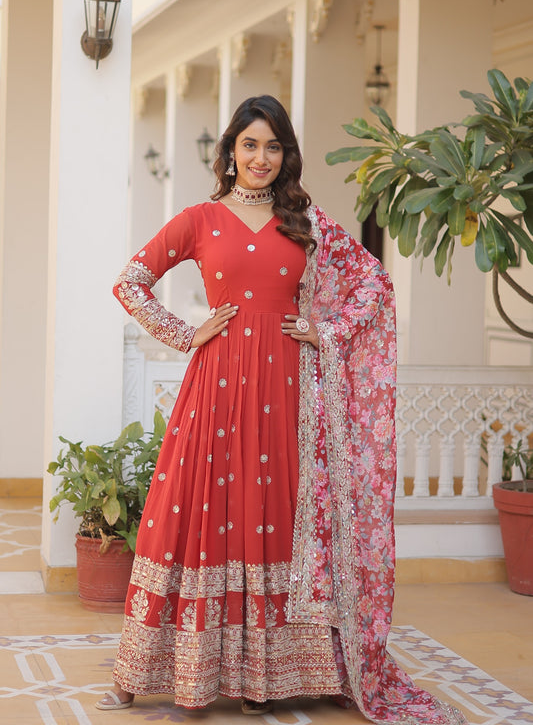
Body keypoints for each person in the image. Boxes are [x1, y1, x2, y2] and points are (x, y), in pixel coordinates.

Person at [97, 95, 466, 724]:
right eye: (249, 144)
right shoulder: (199, 219)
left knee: (270, 518)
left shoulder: (306, 222)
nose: (261, 157)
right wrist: (187, 334)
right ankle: (152, 668)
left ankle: (263, 676)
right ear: (231, 152)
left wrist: (331, 330)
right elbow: (130, 280)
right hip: (214, 388)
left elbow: (374, 283)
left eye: (272, 146)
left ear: (284, 154)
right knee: (193, 516)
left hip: (286, 394)